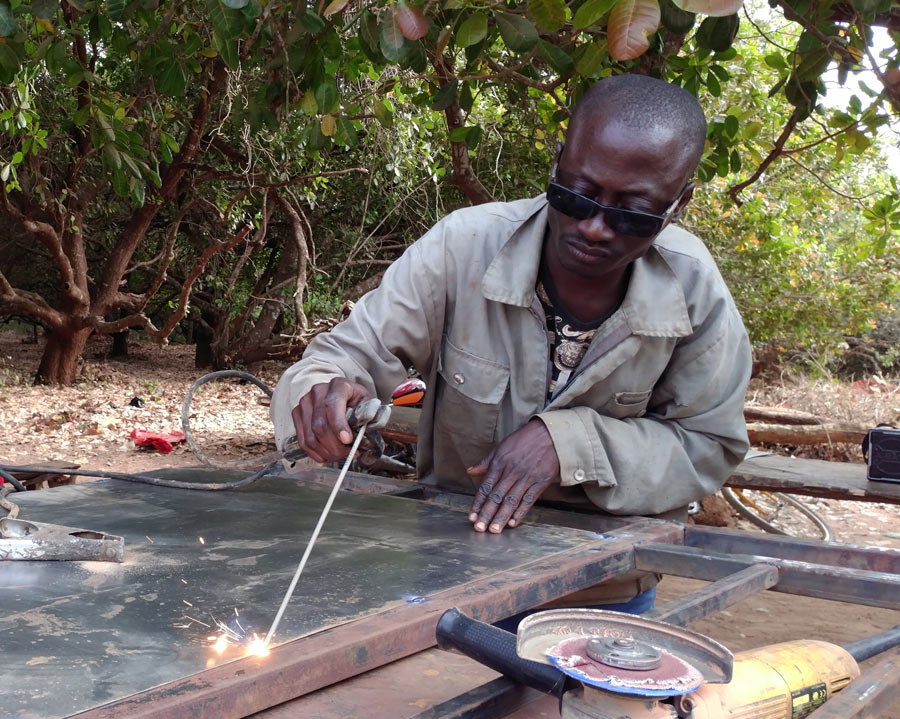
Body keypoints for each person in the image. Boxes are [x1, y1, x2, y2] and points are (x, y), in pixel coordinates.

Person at [271, 74, 752, 612]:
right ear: (557, 161)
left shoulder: (694, 289)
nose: (594, 227)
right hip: (453, 572)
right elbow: (346, 355)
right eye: (577, 194)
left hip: (605, 587)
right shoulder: (463, 246)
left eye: (631, 211)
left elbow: (709, 444)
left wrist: (568, 444)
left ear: (678, 203)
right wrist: (321, 395)